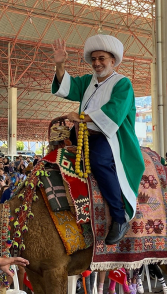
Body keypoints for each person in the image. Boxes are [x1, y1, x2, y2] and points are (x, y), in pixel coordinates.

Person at [51, 36, 144, 244]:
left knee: (99, 161)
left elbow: (114, 112)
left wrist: (81, 117)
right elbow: (67, 86)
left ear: (113, 60)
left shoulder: (123, 83)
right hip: (82, 134)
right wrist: (60, 64)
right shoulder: (88, 81)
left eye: (101, 58)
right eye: (93, 59)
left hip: (111, 137)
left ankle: (119, 218)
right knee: (54, 155)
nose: (97, 63)